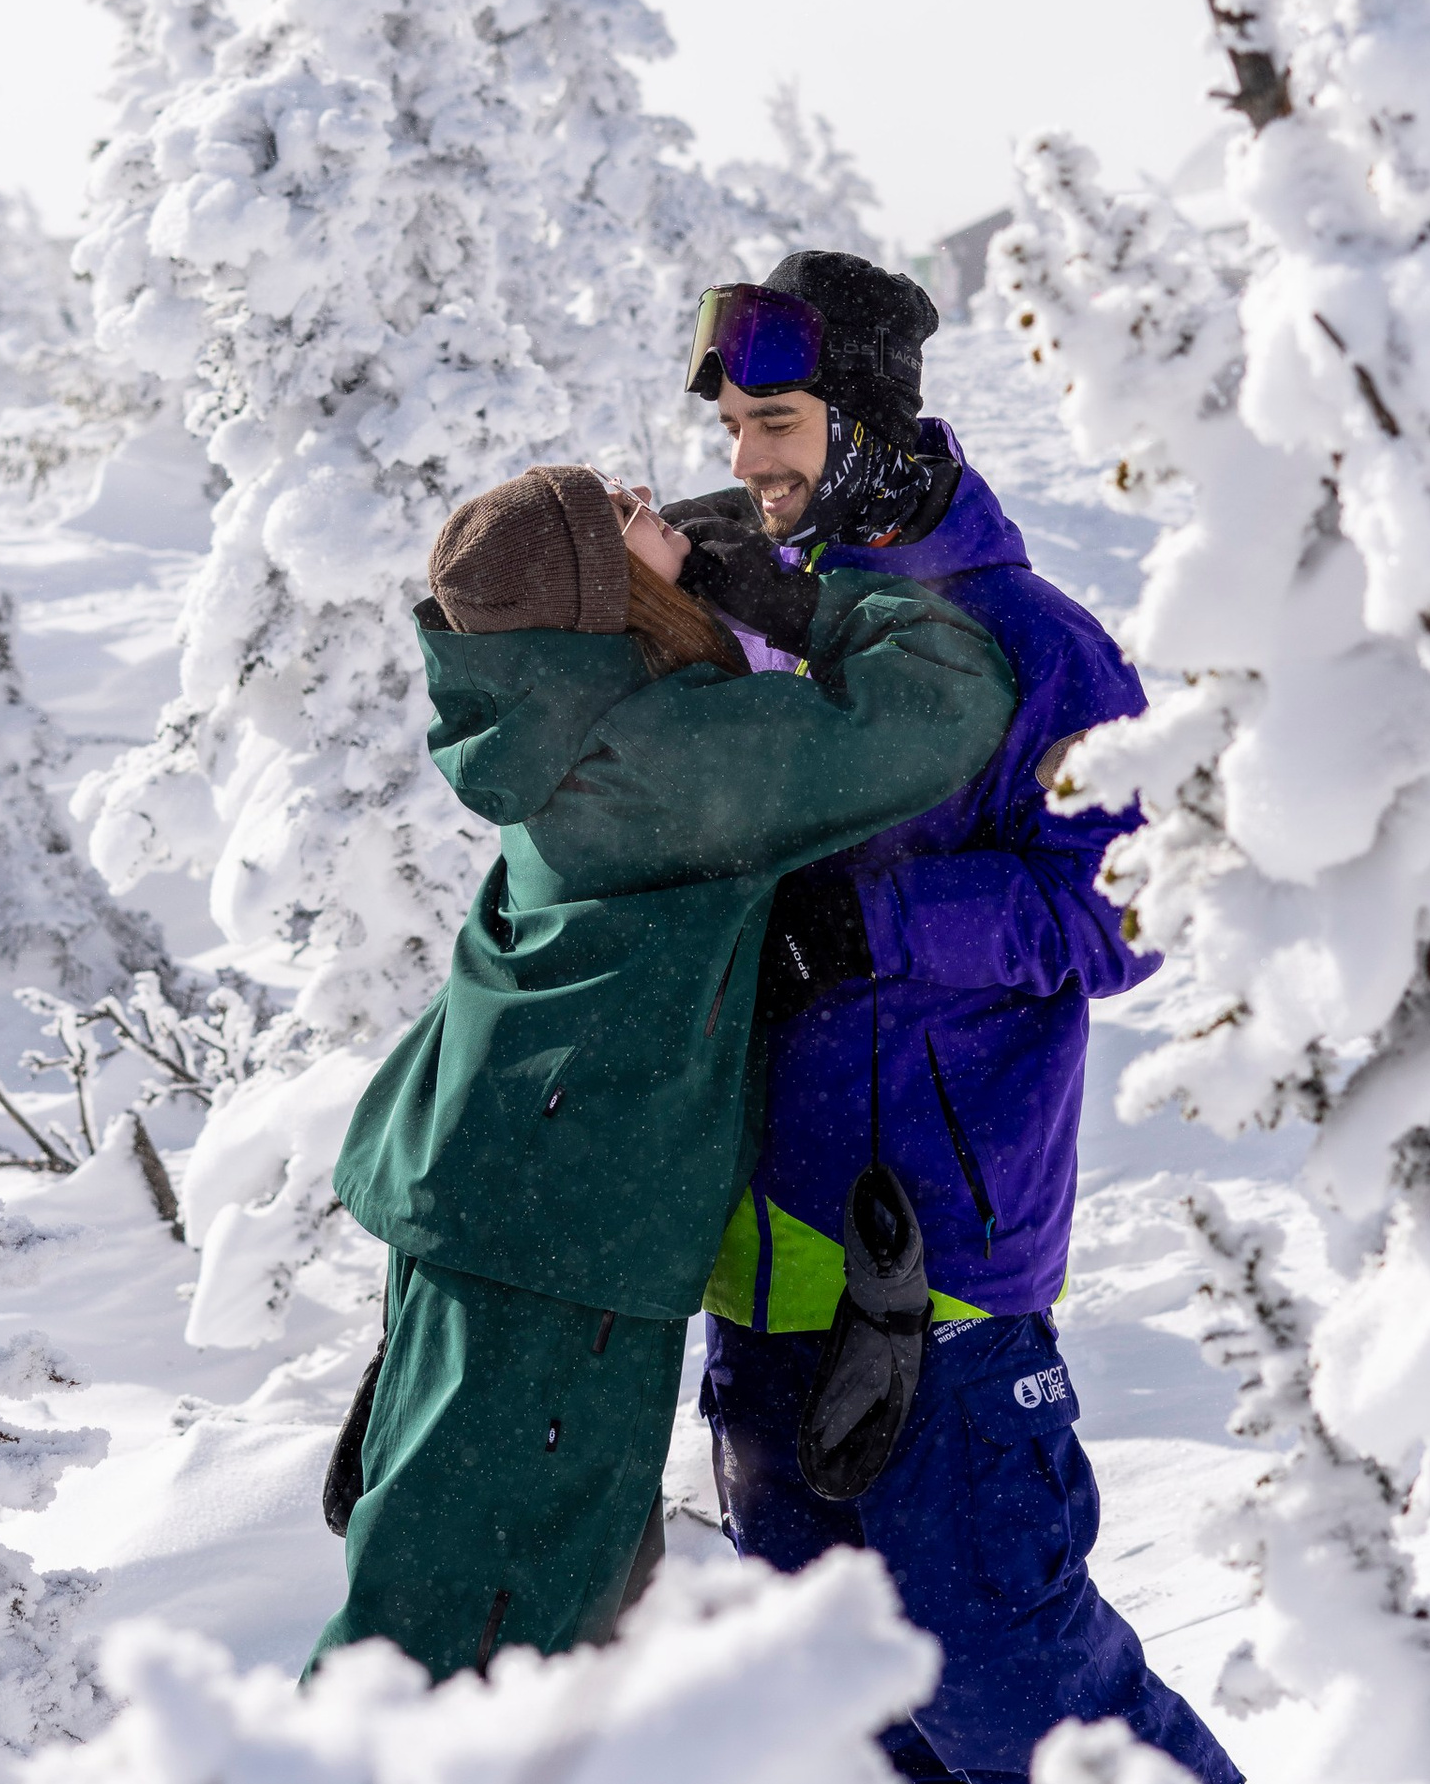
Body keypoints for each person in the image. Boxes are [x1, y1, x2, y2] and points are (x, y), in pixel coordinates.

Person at [664, 250, 1248, 1784]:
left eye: (776, 422)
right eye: (733, 427)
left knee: (1013, 1683)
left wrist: (881, 924)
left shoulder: (1033, 643)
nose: (748, 459)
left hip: (938, 1274)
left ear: (864, 421)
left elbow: (1129, 908)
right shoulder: (752, 621)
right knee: (845, 1720)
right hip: (756, 1274)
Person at [310, 457, 1017, 1686]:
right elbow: (946, 701)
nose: (654, 500)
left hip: (481, 1191)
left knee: (519, 1589)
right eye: (623, 515)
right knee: (483, 1628)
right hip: (562, 1227)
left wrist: (695, 558)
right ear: (599, 595)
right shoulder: (662, 752)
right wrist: (801, 601)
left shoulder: (543, 715)